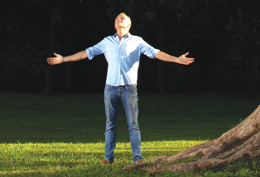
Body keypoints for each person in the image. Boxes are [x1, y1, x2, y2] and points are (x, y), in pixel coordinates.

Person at [46, 12, 194, 166]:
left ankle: (138, 158)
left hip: (129, 89)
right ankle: (108, 158)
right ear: (115, 24)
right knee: (110, 124)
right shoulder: (107, 41)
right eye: (117, 18)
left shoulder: (137, 41)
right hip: (110, 89)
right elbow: (86, 53)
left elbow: (155, 53)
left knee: (133, 124)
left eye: (122, 18)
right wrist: (64, 59)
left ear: (129, 25)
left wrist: (176, 59)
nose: (119, 19)